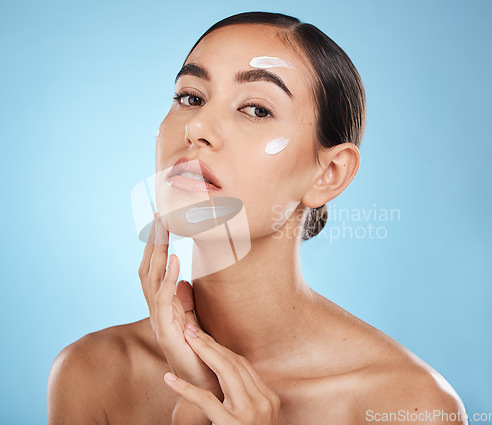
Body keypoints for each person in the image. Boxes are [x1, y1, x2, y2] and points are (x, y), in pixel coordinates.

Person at [47, 11, 467, 425]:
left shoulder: (409, 405)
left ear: (328, 174)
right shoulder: (91, 373)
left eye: (256, 109)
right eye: (190, 97)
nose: (197, 127)